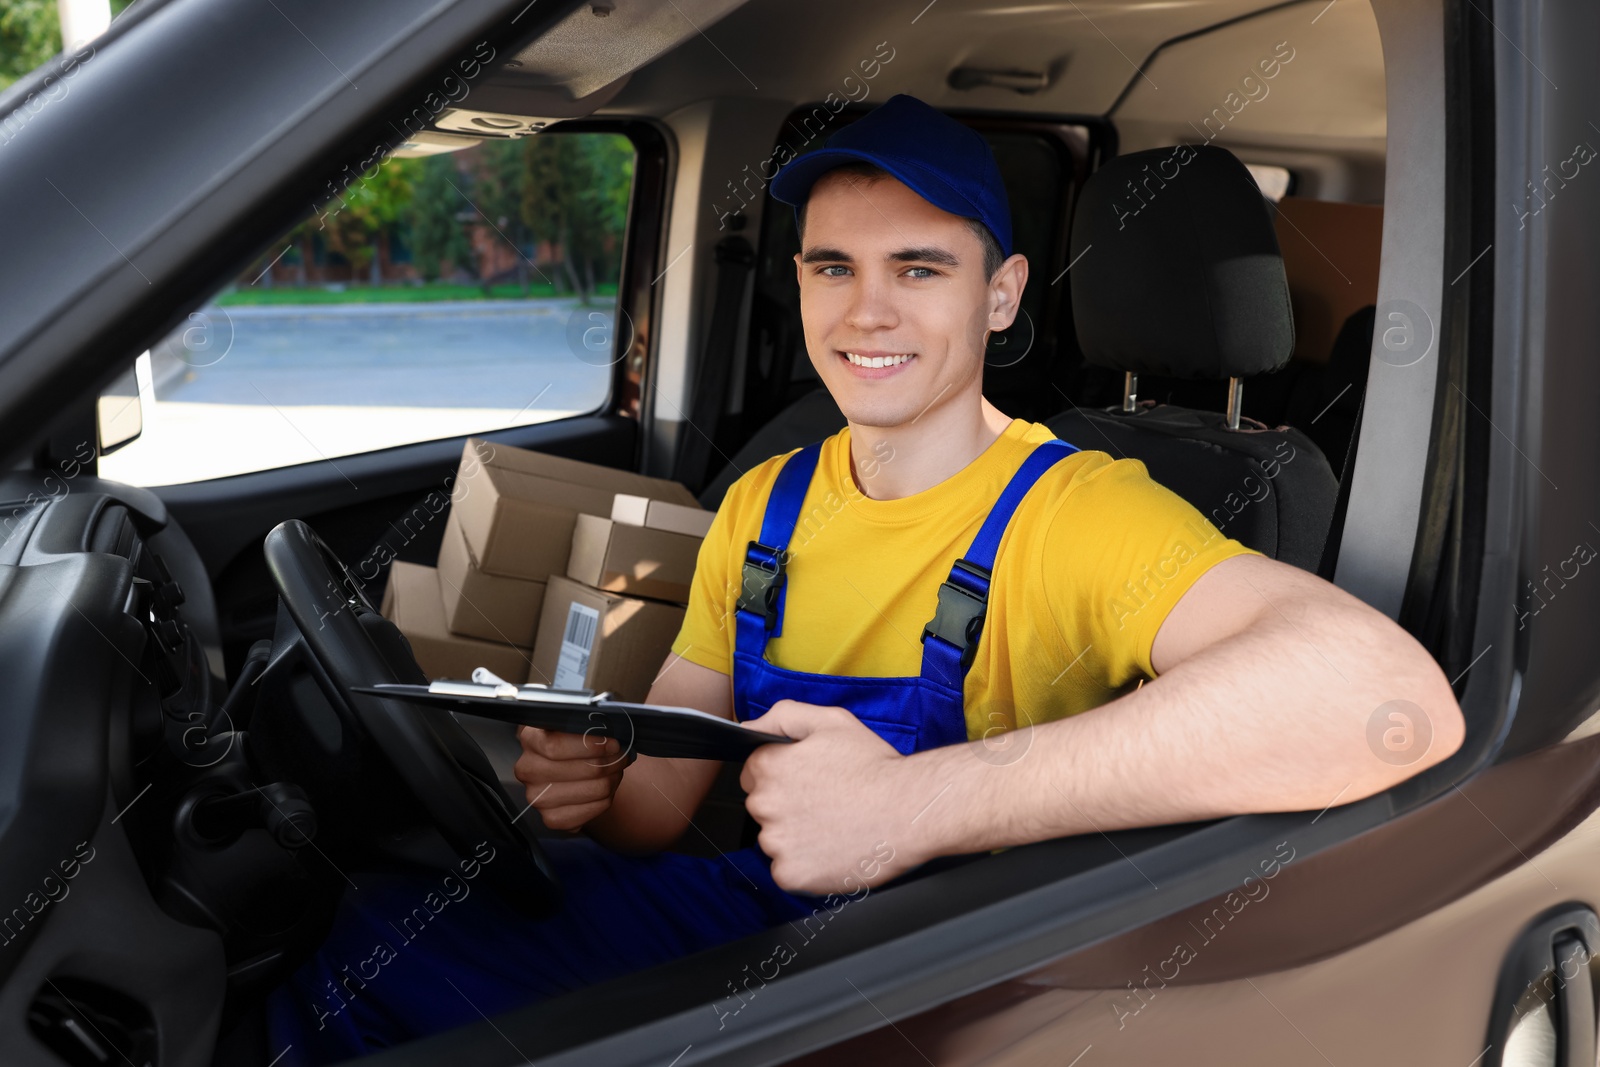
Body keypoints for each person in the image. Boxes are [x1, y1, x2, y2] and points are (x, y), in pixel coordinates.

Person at [267, 94, 1464, 1062]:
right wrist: (590, 783)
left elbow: (1378, 697)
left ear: (999, 296)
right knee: (361, 940)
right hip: (742, 910)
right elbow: (664, 808)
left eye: (919, 268)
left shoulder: (1075, 511)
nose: (867, 308)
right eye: (832, 266)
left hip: (945, 977)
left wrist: (913, 803)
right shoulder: (764, 502)